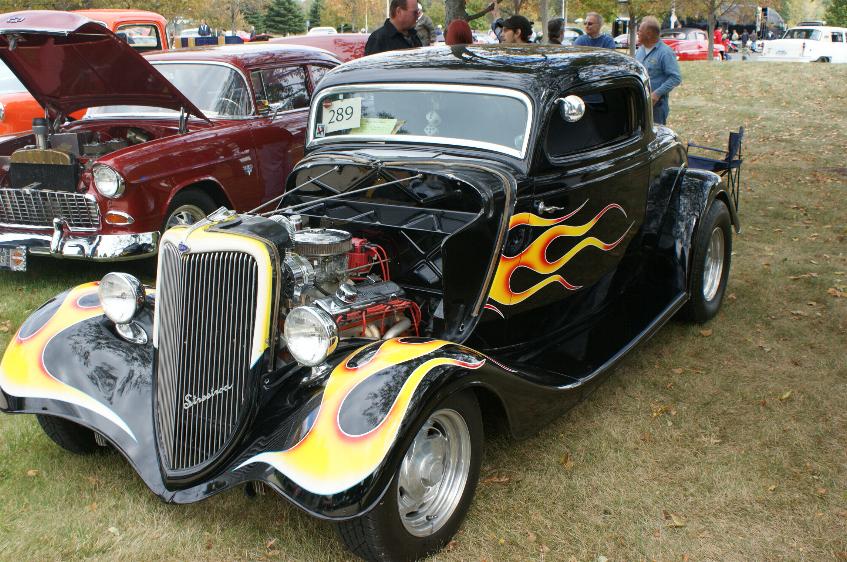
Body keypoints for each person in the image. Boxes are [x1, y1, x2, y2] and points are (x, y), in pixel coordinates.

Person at [635, 16, 682, 125]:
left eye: (640, 31)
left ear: (648, 34)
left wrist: (657, 93)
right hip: (639, 103)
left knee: (655, 134)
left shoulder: (665, 52)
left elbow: (676, 78)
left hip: (656, 107)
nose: (637, 33)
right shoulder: (640, 50)